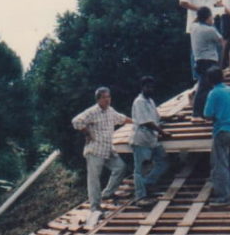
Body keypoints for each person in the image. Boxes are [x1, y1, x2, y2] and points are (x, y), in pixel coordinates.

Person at [72, 87, 131, 226]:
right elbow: (76, 121)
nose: (107, 99)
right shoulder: (92, 111)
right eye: (104, 97)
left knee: (120, 168)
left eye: (109, 97)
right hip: (95, 150)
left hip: (108, 149)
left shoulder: (110, 111)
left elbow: (122, 118)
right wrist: (87, 133)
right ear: (98, 99)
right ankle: (95, 207)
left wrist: (138, 122)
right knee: (94, 179)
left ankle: (108, 193)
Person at [202, 67, 230, 205]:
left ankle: (223, 197)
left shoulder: (213, 93)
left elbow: (207, 115)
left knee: (220, 164)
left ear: (210, 80)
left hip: (222, 131)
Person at [179, 0, 223, 79]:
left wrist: (223, 6)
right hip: (196, 23)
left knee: (217, 45)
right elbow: (182, 2)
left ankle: (216, 73)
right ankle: (197, 77)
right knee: (196, 50)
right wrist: (199, 9)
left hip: (210, 20)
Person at [130, 76, 171, 204]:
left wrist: (172, 117)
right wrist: (162, 132)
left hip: (152, 139)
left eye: (152, 87)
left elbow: (156, 117)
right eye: (148, 87)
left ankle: (148, 183)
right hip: (141, 140)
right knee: (140, 170)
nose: (150, 89)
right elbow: (147, 122)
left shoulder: (150, 101)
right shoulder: (139, 102)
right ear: (142, 88)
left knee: (163, 162)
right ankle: (140, 197)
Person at [191, 6, 224, 119]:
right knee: (205, 88)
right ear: (207, 18)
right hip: (209, 61)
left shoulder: (193, 27)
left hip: (198, 61)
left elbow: (196, 21)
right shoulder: (210, 30)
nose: (212, 19)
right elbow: (221, 41)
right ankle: (197, 114)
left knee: (205, 87)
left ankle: (205, 112)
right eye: (211, 17)